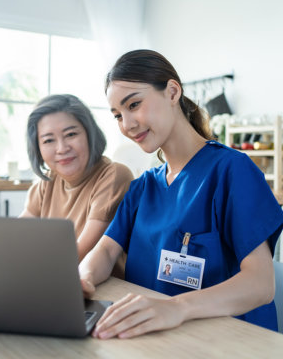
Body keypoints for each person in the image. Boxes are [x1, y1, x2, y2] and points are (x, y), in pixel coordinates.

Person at [79, 49, 283, 339]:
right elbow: (106, 250)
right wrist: (83, 278)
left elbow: (261, 285)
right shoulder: (143, 187)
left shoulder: (232, 171)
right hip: (161, 338)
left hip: (231, 340)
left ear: (172, 92)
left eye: (134, 104)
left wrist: (176, 307)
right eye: (117, 116)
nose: (127, 124)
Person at [20, 94, 134, 263]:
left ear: (89, 134)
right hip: (53, 274)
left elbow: (82, 251)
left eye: (71, 134)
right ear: (38, 148)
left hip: (102, 285)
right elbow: (16, 239)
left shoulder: (113, 175)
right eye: (49, 140)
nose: (62, 148)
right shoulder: (46, 184)